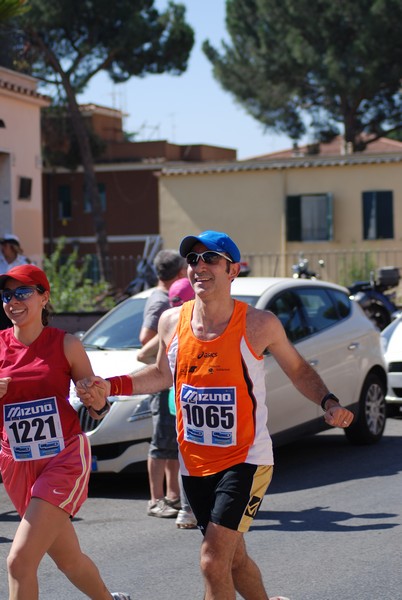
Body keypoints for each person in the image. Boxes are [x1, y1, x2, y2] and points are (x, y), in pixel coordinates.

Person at [76, 230, 354, 600]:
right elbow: (161, 375)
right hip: (194, 463)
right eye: (193, 260)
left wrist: (328, 403)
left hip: (246, 460)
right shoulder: (172, 322)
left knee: (211, 560)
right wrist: (111, 385)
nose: (200, 267)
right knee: (234, 559)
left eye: (211, 259)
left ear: (232, 270)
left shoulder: (259, 324)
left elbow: (299, 370)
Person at [0, 264, 130, 600]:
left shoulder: (66, 344)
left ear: (44, 297)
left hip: (62, 459)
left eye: (23, 292)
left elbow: (97, 407)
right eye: (7, 295)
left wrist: (96, 400)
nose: (13, 301)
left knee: (19, 562)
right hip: (16, 462)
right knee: (68, 560)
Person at [138, 276, 197, 529]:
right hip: (168, 395)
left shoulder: (193, 322)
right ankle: (157, 500)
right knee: (163, 446)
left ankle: (175, 498)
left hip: (183, 398)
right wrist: (168, 371)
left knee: (180, 449)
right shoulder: (172, 322)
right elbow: (143, 354)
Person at [0, 235, 30, 331]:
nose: (2, 248)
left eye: (5, 245)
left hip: (20, 299)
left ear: (12, 247)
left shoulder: (24, 263)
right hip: (2, 300)